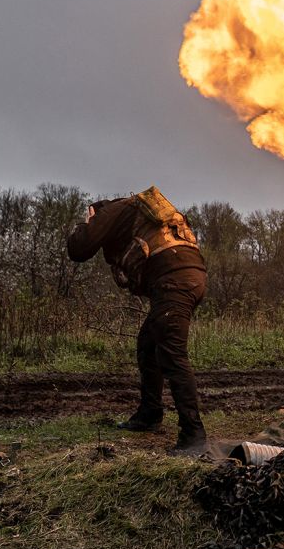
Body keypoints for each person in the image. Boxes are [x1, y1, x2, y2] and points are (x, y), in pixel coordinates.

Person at [66, 186, 210, 456]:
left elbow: (79, 249)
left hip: (174, 280)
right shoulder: (141, 211)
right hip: (189, 277)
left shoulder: (111, 210)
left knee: (172, 353)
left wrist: (86, 221)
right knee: (148, 344)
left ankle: (194, 435)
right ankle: (150, 414)